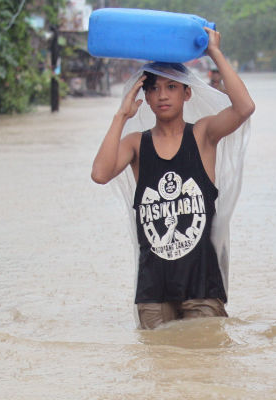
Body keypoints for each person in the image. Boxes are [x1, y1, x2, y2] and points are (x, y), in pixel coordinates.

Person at [91, 28, 255, 329]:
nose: (162, 95)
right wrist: (120, 116)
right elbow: (100, 174)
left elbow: (245, 107)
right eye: (153, 88)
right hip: (154, 291)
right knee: (160, 370)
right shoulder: (135, 144)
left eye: (171, 86)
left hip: (203, 286)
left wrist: (215, 52)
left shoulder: (203, 135)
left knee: (205, 369)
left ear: (187, 92)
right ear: (146, 96)